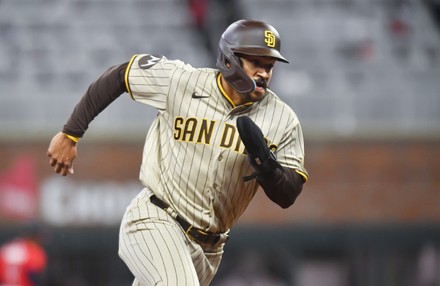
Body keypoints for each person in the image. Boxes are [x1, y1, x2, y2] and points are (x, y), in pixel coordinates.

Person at [47, 19, 309, 286]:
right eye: (257, 63)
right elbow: (121, 75)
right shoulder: (183, 82)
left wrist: (267, 168)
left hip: (210, 250)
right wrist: (71, 133)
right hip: (156, 220)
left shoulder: (282, 119)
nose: (264, 73)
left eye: (269, 66)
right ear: (230, 60)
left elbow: (288, 195)